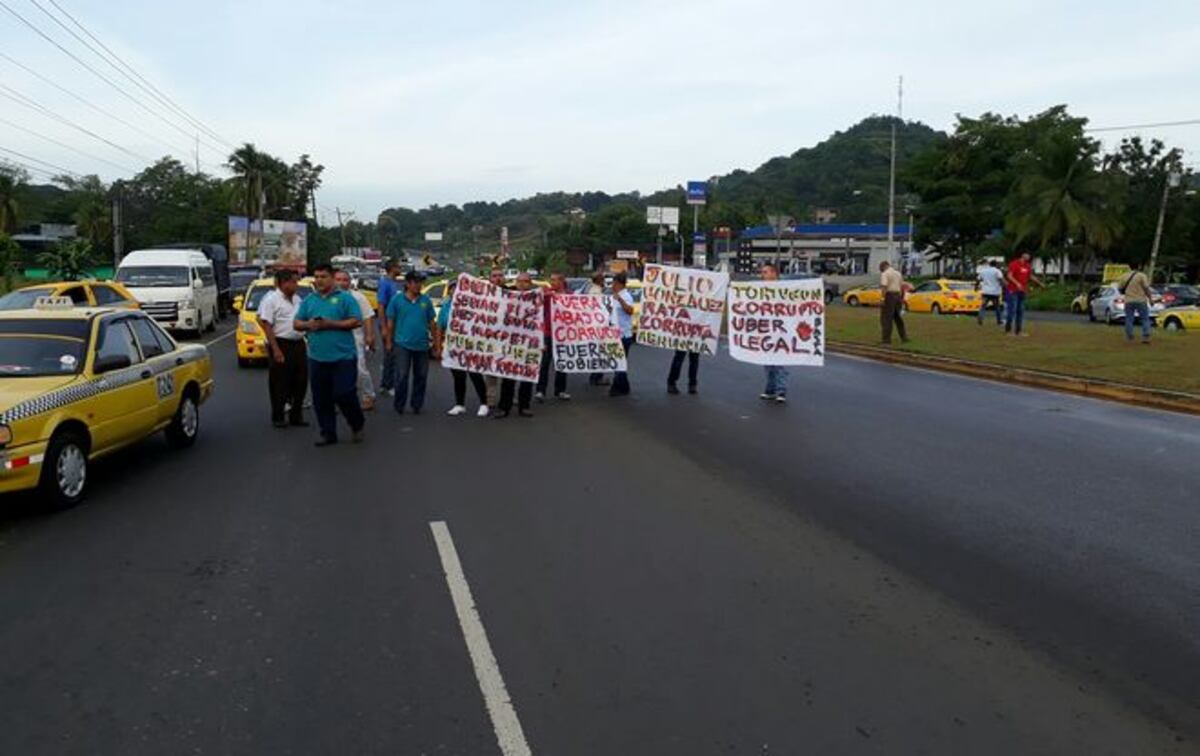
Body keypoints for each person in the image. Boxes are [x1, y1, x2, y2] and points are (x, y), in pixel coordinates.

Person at [293, 265, 365, 446]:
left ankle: (356, 423)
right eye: (316, 277)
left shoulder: (345, 299)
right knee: (321, 398)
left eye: (323, 276)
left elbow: (356, 320)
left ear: (332, 278)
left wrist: (330, 324)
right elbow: (297, 323)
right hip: (317, 358)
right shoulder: (310, 300)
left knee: (344, 393)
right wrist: (309, 324)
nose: (319, 280)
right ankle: (328, 433)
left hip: (343, 357)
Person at [257, 269, 308, 427]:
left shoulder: (298, 299)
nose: (296, 284)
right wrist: (276, 349)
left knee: (301, 380)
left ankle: (296, 415)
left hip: (298, 342)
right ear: (283, 283)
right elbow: (267, 325)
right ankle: (278, 416)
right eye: (293, 281)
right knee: (280, 381)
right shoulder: (271, 300)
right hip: (280, 343)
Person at [384, 271, 439, 414]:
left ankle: (416, 404)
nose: (418, 285)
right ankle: (399, 404)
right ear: (407, 284)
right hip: (402, 344)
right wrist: (389, 342)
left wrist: (436, 345)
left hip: (422, 345)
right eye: (415, 282)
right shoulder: (397, 300)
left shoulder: (425, 300)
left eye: (420, 282)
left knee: (421, 376)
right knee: (401, 376)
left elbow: (432, 323)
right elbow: (390, 323)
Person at [436, 279, 489, 416]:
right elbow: (440, 327)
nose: (456, 290)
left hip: (471, 347)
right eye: (453, 288)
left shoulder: (473, 305)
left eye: (459, 288)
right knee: (458, 377)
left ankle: (484, 403)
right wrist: (438, 346)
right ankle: (460, 404)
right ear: (450, 291)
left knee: (475, 375)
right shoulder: (446, 306)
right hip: (454, 347)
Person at [495, 272, 539, 418]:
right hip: (510, 342)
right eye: (519, 281)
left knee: (527, 377)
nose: (521, 284)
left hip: (530, 343)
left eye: (525, 281)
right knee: (508, 376)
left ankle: (524, 406)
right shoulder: (508, 295)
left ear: (530, 283)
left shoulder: (537, 298)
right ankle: (504, 407)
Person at [334, 270, 377, 410]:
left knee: (360, 369)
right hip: (334, 340)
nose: (341, 283)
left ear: (349, 282)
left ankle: (368, 395)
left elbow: (368, 316)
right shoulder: (328, 297)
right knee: (334, 371)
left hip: (355, 339)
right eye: (338, 279)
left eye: (344, 280)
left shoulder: (358, 297)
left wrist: (370, 336)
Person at [536, 272, 570, 402]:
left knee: (562, 363)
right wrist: (546, 295)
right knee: (544, 363)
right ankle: (540, 390)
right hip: (548, 333)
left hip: (564, 335)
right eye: (551, 280)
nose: (552, 282)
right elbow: (536, 302)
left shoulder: (569, 295)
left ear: (562, 281)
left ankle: (560, 390)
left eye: (555, 280)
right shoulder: (547, 294)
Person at [758, 263, 789, 403]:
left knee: (780, 363)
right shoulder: (760, 290)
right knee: (768, 362)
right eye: (762, 272)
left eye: (765, 272)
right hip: (767, 331)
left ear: (774, 273)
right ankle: (770, 389)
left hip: (782, 331)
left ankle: (781, 390)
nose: (762, 275)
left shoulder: (785, 289)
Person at [482, 267, 508, 407]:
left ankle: (509, 396)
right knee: (491, 370)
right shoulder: (483, 295)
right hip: (490, 339)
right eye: (494, 275)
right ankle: (490, 398)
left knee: (509, 369)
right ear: (489, 279)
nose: (497, 278)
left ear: (504, 278)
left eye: (500, 275)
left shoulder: (512, 293)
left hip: (509, 339)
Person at [376, 261, 403, 396]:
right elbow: (381, 306)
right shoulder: (385, 283)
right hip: (388, 323)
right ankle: (388, 385)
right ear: (392, 268)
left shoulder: (394, 283)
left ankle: (386, 383)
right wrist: (384, 326)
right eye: (398, 267)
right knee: (390, 354)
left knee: (392, 355)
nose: (400, 269)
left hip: (397, 324)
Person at [1004, 251, 1043, 336]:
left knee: (1020, 311)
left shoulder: (1027, 266)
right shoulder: (1014, 264)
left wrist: (1039, 283)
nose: (1028, 257)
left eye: (1029, 256)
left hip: (1022, 291)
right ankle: (1008, 330)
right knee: (1012, 310)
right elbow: (1009, 275)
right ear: (1023, 255)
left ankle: (1019, 331)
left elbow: (1030, 276)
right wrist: (1017, 283)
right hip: (1013, 290)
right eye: (1027, 255)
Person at [609, 272, 636, 397]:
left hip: (624, 335)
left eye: (613, 283)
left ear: (619, 283)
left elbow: (630, 311)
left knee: (619, 361)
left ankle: (616, 387)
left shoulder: (626, 296)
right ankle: (624, 387)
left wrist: (619, 300)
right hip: (615, 334)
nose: (612, 285)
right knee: (619, 361)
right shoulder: (614, 296)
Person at [1118, 261, 1154, 344]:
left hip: (1128, 300)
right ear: (1139, 266)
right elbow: (1146, 288)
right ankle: (1146, 336)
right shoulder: (1141, 276)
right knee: (1144, 319)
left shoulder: (1125, 276)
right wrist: (1150, 299)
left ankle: (1129, 336)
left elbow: (1120, 288)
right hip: (1141, 300)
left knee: (1129, 319)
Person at [586, 270, 610, 386]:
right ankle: (596, 377)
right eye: (603, 279)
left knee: (597, 352)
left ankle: (594, 376)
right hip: (598, 327)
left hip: (593, 326)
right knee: (600, 353)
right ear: (600, 280)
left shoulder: (591, 290)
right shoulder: (597, 293)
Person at [879, 261, 909, 345]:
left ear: (883, 267)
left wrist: (882, 298)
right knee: (898, 318)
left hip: (889, 296)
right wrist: (902, 298)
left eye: (881, 269)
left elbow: (884, 287)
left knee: (886, 318)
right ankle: (904, 337)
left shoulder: (885, 274)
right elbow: (902, 287)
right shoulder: (898, 273)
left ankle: (886, 340)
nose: (881, 271)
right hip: (897, 296)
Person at [976, 260, 1005, 326]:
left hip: (985, 291)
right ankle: (999, 321)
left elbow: (978, 279)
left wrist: (976, 287)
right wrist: (1003, 286)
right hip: (995, 292)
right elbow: (1000, 279)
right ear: (996, 264)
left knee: (983, 306)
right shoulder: (997, 271)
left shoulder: (983, 271)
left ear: (990, 264)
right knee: (997, 307)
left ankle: (980, 319)